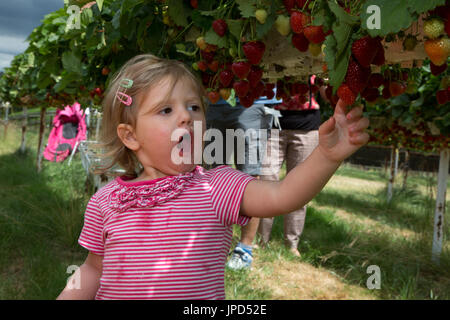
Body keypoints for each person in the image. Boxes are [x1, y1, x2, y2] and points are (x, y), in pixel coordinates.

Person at [57, 54, 370, 300]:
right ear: (130, 135)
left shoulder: (216, 186)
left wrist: (326, 156)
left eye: (194, 106)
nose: (186, 116)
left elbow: (285, 195)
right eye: (166, 110)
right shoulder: (107, 201)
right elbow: (92, 269)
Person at [205, 93, 281, 271]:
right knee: (211, 177)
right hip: (214, 99)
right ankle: (212, 245)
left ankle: (244, 250)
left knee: (250, 179)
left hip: (255, 101)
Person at [258, 75, 322, 258]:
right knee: (266, 181)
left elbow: (327, 90)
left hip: (307, 126)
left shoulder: (313, 61)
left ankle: (292, 244)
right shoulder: (276, 56)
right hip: (272, 125)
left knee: (299, 186)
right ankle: (261, 240)